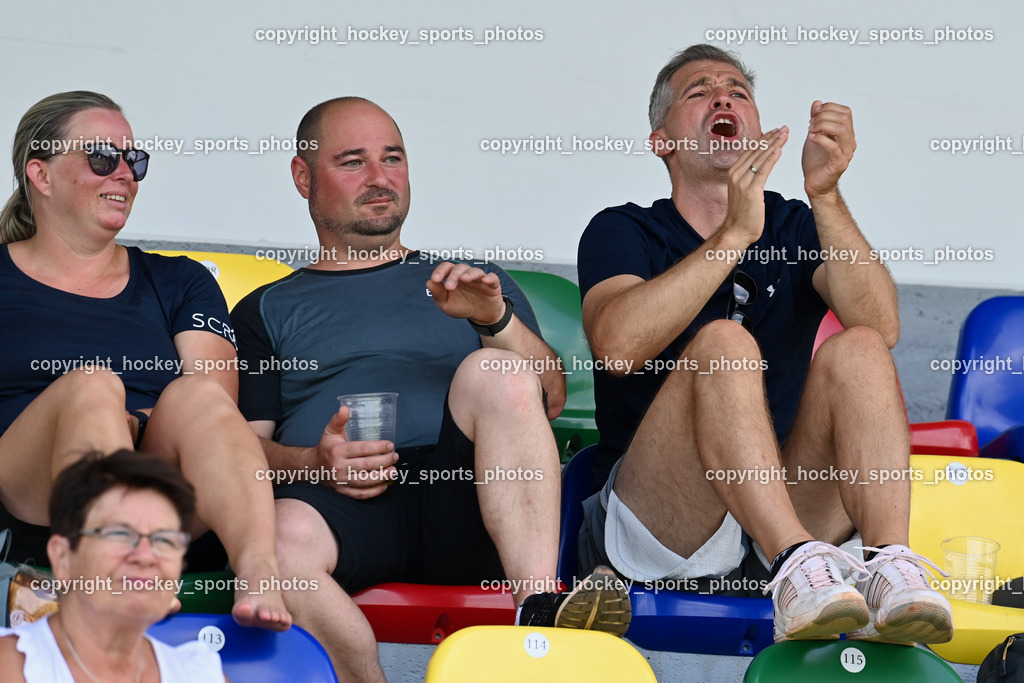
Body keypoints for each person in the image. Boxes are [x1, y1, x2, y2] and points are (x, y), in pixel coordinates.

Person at [232, 96, 630, 682]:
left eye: (392, 158)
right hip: (341, 501)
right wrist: (315, 462)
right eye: (352, 161)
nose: (379, 178)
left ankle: (540, 609)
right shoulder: (266, 308)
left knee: (495, 370)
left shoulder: (473, 282)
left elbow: (546, 398)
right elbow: (239, 450)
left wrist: (494, 322)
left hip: (471, 499)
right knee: (279, 544)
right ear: (303, 177)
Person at [576, 44, 953, 644]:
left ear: (758, 128)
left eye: (738, 92)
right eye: (698, 92)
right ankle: (794, 562)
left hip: (781, 497)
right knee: (725, 341)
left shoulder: (796, 224)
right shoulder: (622, 227)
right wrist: (734, 234)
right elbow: (619, 346)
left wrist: (825, 193)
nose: (723, 96)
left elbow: (882, 327)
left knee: (857, 348)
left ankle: (889, 566)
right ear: (661, 140)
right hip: (660, 519)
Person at [0, 91, 290, 631]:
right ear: (40, 174)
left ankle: (257, 568)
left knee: (198, 394)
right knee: (91, 387)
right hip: (28, 487)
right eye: (101, 158)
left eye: (134, 161)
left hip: (164, 482)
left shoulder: (179, 280)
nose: (125, 175)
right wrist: (105, 410)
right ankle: (116, 568)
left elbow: (215, 405)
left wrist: (132, 427)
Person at [0, 450, 227, 682]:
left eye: (165, 540)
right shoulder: (9, 666)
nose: (146, 556)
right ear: (63, 557)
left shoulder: (202, 675)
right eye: (120, 534)